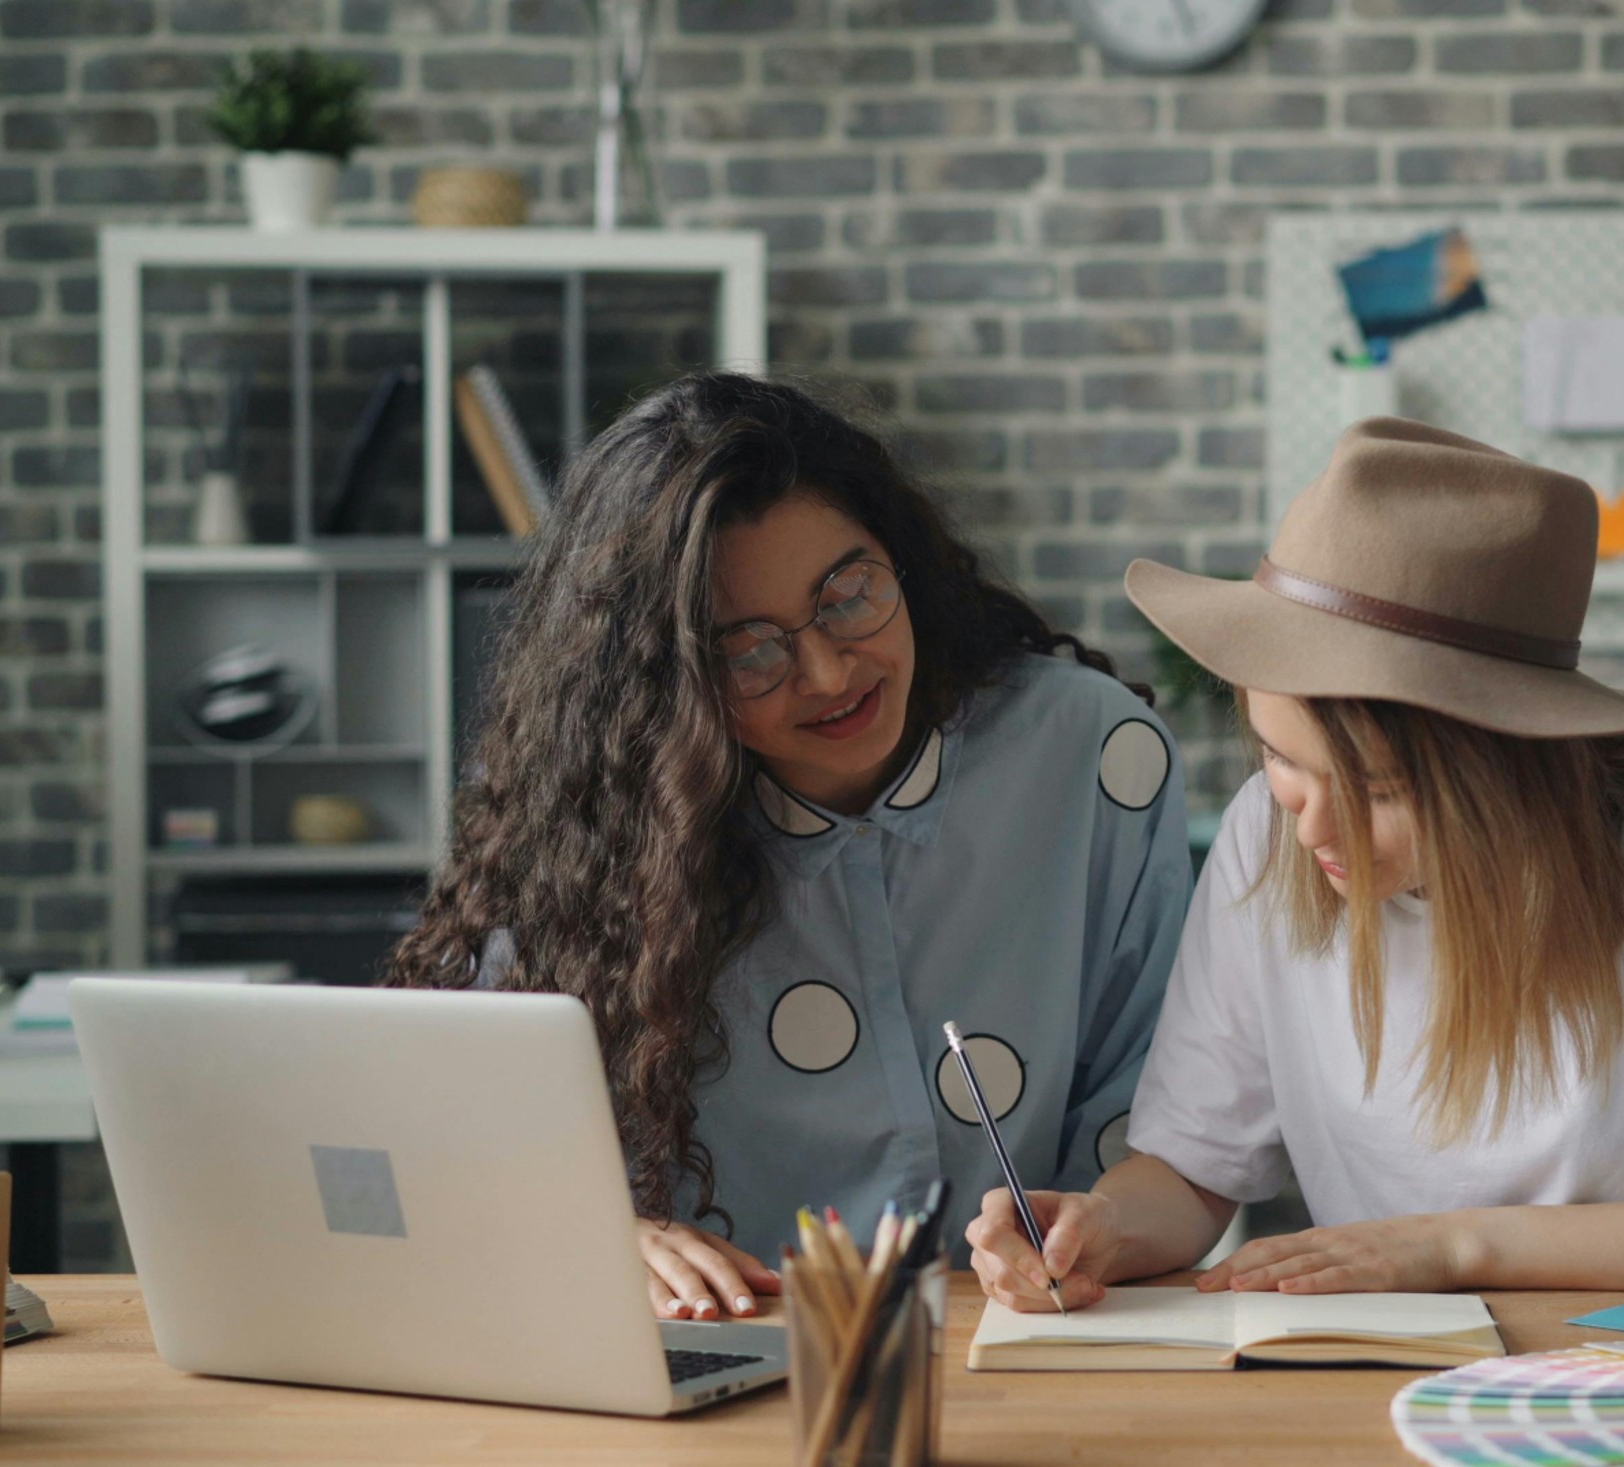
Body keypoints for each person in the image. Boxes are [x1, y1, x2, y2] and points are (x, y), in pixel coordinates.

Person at [968, 417, 1624, 1310]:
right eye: (1282, 757)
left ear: (1506, 772)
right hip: (1371, 1373)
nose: (1309, 832)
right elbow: (1193, 1170)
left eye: (1377, 790)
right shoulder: (1263, 833)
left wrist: (1453, 1247)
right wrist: (1101, 1227)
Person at [387, 373, 1189, 1323]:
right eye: (748, 649)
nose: (828, 671)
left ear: (902, 558)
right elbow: (458, 1137)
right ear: (662, 684)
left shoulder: (1094, 755)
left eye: (848, 595)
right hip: (721, 1359)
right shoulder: (589, 825)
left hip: (1036, 1344)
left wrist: (1095, 1228)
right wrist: (599, 1231)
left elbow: (1172, 1120)